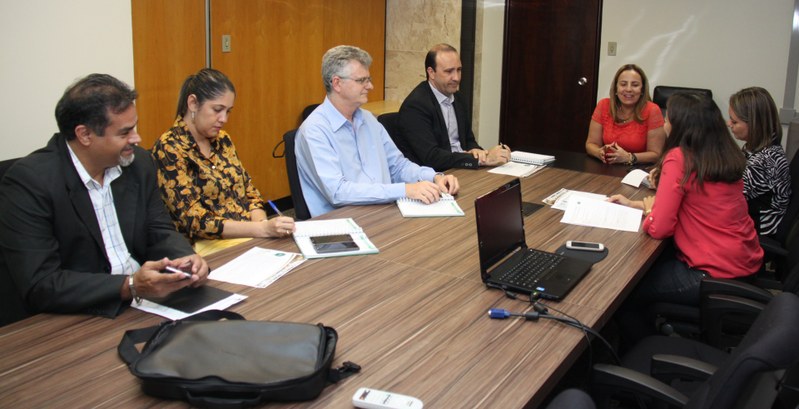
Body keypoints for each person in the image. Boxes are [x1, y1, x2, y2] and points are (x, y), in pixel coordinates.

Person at [0, 74, 210, 326]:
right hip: (80, 315)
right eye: (125, 132)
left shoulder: (138, 163)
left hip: (145, 304)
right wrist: (128, 285)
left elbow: (158, 228)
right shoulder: (30, 183)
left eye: (134, 126)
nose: (137, 138)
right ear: (85, 135)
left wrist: (187, 259)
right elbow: (41, 283)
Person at [608, 93, 763, 347]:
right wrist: (639, 205)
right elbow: (697, 205)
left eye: (668, 118)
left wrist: (650, 213)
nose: (665, 124)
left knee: (623, 294)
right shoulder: (724, 154)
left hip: (711, 272)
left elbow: (659, 228)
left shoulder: (680, 157)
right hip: (743, 261)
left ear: (681, 125)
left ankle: (650, 353)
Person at [295, 45, 460, 217]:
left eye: (369, 79)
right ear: (337, 83)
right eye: (362, 80)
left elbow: (398, 166)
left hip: (383, 214)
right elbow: (338, 193)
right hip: (343, 224)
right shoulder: (315, 131)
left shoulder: (369, 120)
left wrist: (434, 177)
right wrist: (404, 190)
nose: (370, 86)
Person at [152, 68, 295, 244]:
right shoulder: (169, 148)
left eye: (228, 111)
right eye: (217, 110)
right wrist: (261, 230)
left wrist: (262, 225)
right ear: (193, 103)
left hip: (247, 234)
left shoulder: (223, 139)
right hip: (202, 247)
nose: (224, 119)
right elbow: (195, 221)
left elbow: (249, 191)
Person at [398, 43, 510, 171]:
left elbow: (468, 141)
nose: (456, 78)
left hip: (461, 169)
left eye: (459, 70)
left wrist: (477, 151)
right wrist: (479, 159)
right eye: (449, 71)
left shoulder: (459, 98)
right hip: (437, 176)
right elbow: (431, 158)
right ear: (431, 73)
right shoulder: (416, 106)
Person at [728, 87, 791, 236]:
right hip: (750, 218)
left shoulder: (765, 161)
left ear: (754, 124)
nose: (729, 124)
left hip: (758, 231)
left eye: (734, 121)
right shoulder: (757, 147)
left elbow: (727, 196)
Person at [585, 64, 666, 165]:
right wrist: (599, 152)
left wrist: (628, 157)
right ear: (616, 88)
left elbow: (656, 154)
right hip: (607, 168)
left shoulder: (652, 110)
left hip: (637, 170)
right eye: (623, 84)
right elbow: (590, 144)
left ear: (642, 90)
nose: (628, 89)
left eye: (635, 85)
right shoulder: (603, 105)